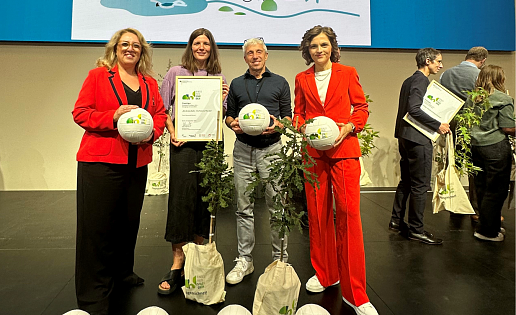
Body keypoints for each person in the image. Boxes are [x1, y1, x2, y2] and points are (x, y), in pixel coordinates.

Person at [72, 28, 167, 315]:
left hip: (136, 163)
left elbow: (160, 115)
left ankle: (122, 273)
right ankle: (93, 292)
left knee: (128, 223)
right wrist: (112, 117)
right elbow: (80, 113)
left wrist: (151, 134)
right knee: (97, 229)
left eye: (136, 45)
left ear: (142, 51)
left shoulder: (149, 82)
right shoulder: (98, 76)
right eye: (124, 44)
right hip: (101, 163)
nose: (130, 49)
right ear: (115, 49)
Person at [293, 26, 377, 315]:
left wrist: (350, 126)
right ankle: (326, 273)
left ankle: (357, 293)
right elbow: (298, 112)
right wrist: (301, 125)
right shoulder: (301, 78)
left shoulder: (348, 72)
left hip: (344, 152)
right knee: (317, 215)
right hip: (314, 153)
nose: (319, 50)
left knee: (349, 215)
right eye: (314, 46)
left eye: (324, 45)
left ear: (332, 47)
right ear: (308, 50)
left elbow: (361, 107)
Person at [158, 28, 229, 294]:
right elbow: (162, 108)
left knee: (205, 197)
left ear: (212, 49)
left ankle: (198, 258)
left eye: (206, 43)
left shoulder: (218, 78)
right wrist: (172, 132)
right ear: (191, 46)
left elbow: (219, 116)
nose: (201, 47)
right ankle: (178, 263)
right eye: (197, 43)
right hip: (183, 143)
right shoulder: (176, 72)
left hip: (211, 144)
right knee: (180, 200)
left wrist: (224, 98)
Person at [225, 37, 292, 285]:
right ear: (245, 58)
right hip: (243, 150)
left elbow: (288, 117)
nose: (255, 56)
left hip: (272, 150)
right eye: (250, 53)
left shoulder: (280, 82)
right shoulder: (236, 84)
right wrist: (232, 123)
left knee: (277, 206)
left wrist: (278, 125)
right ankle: (245, 259)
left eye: (259, 52)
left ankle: (280, 260)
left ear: (266, 56)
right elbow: (229, 114)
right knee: (243, 207)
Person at [389, 48, 450, 245]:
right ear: (427, 61)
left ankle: (396, 221)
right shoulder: (421, 81)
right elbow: (414, 109)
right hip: (418, 139)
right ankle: (416, 229)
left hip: (405, 137)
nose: (440, 66)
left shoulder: (409, 80)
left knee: (406, 181)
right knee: (420, 185)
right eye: (438, 62)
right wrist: (438, 125)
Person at [439, 46, 488, 219]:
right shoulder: (480, 76)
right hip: (472, 126)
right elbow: (483, 101)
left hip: (450, 124)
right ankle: (475, 207)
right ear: (482, 61)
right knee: (474, 167)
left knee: (454, 164)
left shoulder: (446, 74)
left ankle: (453, 204)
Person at [470, 65, 515, 241]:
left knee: (481, 188)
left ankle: (491, 225)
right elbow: (508, 127)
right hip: (495, 148)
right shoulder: (503, 98)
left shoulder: (473, 98)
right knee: (496, 190)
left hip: (476, 147)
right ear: (499, 79)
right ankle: (487, 232)